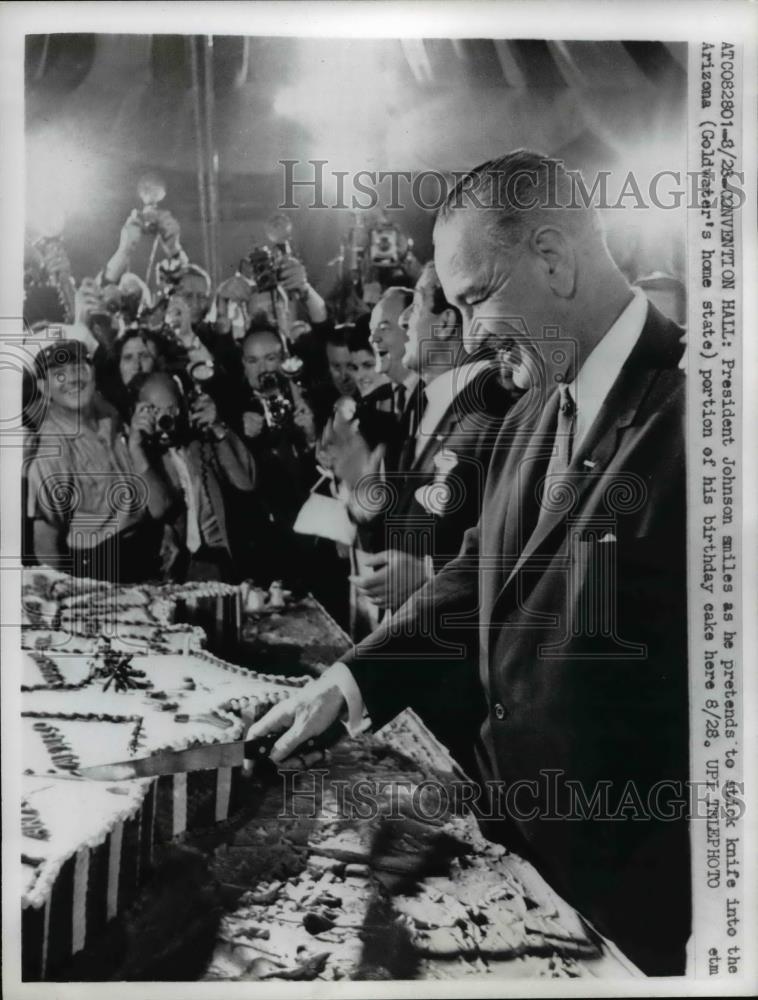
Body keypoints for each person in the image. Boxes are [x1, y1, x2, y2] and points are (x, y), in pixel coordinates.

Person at [245, 150, 689, 976]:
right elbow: (473, 573)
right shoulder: (529, 410)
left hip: (635, 917)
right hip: (518, 872)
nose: (472, 336)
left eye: (476, 299)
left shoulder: (703, 417)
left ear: (552, 259)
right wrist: (346, 685)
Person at [25, 340, 172, 581]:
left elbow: (153, 501)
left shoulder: (111, 413)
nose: (73, 379)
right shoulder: (52, 452)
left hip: (147, 551)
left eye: (79, 368)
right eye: (59, 374)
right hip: (100, 568)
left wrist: (165, 532)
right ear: (43, 387)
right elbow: (45, 546)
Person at [131, 372, 256, 581]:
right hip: (172, 569)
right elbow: (158, 508)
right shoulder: (139, 457)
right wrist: (136, 446)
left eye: (171, 409)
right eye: (153, 410)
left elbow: (247, 482)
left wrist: (218, 427)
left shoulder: (202, 445)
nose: (164, 418)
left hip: (218, 562)